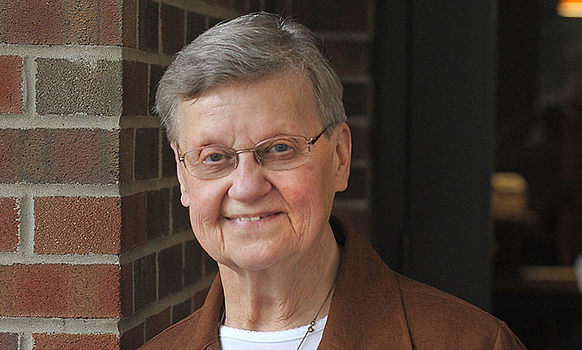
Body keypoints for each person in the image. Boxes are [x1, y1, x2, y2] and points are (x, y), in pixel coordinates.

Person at [140, 12, 525, 349]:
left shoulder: (470, 343)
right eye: (215, 158)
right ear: (183, 176)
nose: (246, 186)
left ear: (340, 158)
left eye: (278, 149)